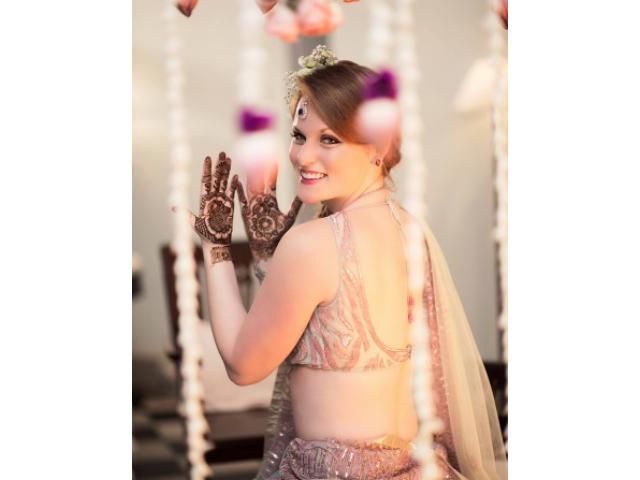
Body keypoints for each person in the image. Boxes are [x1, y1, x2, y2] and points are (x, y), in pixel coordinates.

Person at [181, 47, 507, 479]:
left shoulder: (313, 243)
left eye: (329, 139)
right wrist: (267, 258)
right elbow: (319, 321)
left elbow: (245, 365)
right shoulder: (409, 230)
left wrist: (215, 247)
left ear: (379, 148)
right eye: (299, 135)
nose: (303, 156)